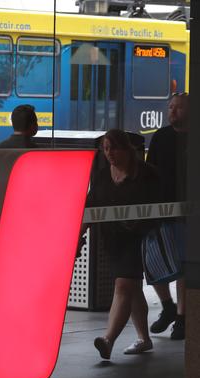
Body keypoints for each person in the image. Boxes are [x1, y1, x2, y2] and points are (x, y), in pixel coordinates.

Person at [86, 130, 161, 360]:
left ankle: (108, 340)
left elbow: (158, 207)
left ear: (127, 149)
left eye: (114, 148)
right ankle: (143, 338)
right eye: (106, 148)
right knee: (133, 289)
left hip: (139, 239)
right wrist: (80, 234)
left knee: (123, 286)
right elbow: (91, 206)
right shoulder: (101, 175)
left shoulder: (147, 175)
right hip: (114, 241)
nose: (109, 153)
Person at [145, 92, 189, 340]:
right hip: (161, 209)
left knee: (184, 266)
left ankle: (181, 316)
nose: (172, 111)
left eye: (178, 108)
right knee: (153, 262)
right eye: (170, 107)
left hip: (187, 212)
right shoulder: (161, 137)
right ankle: (168, 306)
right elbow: (151, 172)